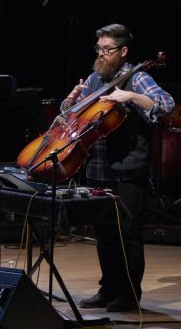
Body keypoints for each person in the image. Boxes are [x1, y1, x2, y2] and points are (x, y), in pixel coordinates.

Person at [61, 24, 174, 312]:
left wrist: (130, 97)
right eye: (99, 48)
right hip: (97, 168)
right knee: (104, 234)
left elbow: (166, 104)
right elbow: (69, 117)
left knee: (127, 234)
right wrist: (71, 101)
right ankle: (108, 288)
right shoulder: (95, 79)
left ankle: (128, 294)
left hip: (127, 171)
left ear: (123, 51)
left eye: (108, 49)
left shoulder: (138, 77)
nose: (102, 54)